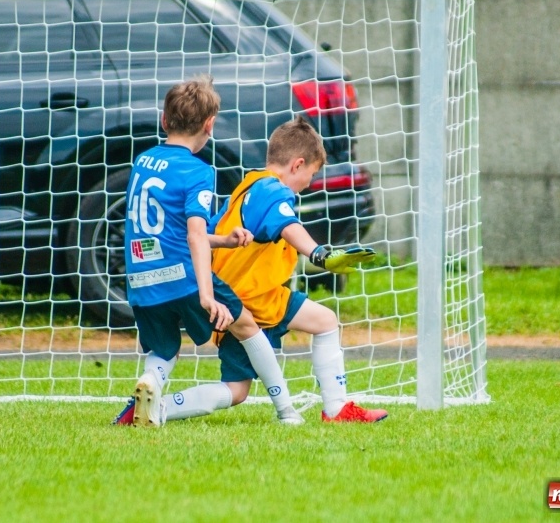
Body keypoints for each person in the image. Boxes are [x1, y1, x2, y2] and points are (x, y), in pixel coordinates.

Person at [156, 116, 388, 423]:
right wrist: (318, 254)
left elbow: (209, 235)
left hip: (262, 296)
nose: (309, 183)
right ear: (297, 164)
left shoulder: (246, 187)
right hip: (247, 304)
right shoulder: (273, 191)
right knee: (237, 391)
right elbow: (287, 224)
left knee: (324, 321)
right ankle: (161, 408)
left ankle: (337, 409)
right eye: (311, 174)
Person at [114, 77, 303, 427]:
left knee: (165, 348)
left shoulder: (143, 162)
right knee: (247, 325)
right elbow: (195, 235)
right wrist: (206, 296)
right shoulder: (199, 171)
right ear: (210, 124)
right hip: (184, 277)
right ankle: (287, 412)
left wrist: (225, 241)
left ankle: (151, 385)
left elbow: (170, 230)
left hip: (142, 278)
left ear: (164, 120)